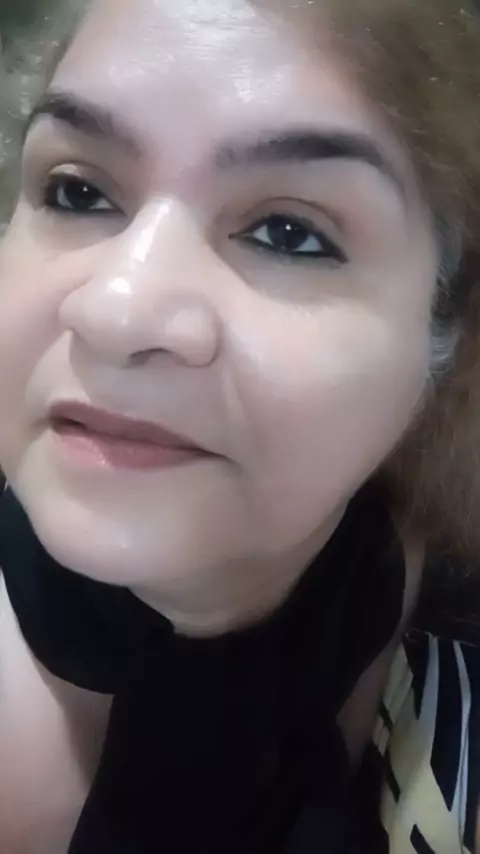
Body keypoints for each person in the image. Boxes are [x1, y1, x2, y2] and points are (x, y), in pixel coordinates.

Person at [0, 0, 479, 851]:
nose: (116, 311)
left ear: (447, 337)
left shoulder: (427, 598)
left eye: (290, 234)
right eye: (77, 192)